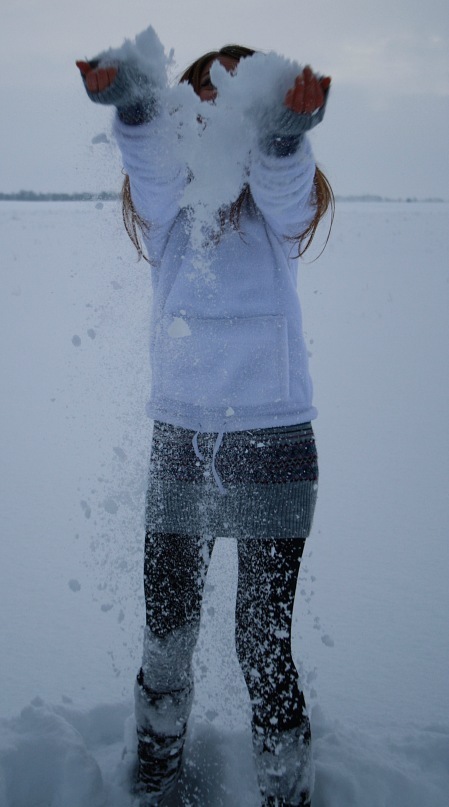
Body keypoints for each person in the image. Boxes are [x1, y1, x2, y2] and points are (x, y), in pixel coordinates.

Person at [77, 31, 333, 807]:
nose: (217, 120)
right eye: (202, 102)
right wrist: (135, 108)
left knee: (262, 647)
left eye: (236, 106)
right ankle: (154, 782)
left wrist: (282, 137)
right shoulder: (169, 218)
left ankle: (286, 793)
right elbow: (151, 170)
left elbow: (289, 192)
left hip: (275, 447)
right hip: (182, 447)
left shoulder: (274, 221)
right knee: (167, 640)